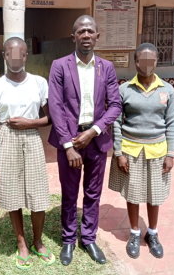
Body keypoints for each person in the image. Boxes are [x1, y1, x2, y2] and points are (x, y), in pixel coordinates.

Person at [48, 15, 121, 265]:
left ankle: (88, 238)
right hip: (69, 140)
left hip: (96, 140)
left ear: (97, 36)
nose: (86, 35)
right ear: (74, 36)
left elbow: (115, 105)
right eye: (81, 31)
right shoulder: (60, 66)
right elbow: (56, 107)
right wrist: (68, 145)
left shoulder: (106, 68)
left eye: (90, 31)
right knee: (69, 194)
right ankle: (68, 239)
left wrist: (94, 131)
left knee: (93, 193)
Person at [0, 37, 54, 269]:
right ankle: (21, 242)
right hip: (6, 141)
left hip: (32, 140)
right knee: (12, 194)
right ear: (4, 56)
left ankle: (38, 241)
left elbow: (51, 117)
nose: (15, 58)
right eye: (9, 54)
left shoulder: (39, 83)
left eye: (20, 54)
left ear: (25, 56)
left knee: (38, 195)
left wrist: (30, 122)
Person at [108, 43, 174, 259]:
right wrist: (119, 152)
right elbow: (117, 122)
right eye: (142, 60)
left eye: (151, 60)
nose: (146, 65)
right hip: (131, 151)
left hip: (158, 151)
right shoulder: (124, 89)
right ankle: (135, 233)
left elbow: (171, 122)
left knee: (154, 195)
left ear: (157, 61)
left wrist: (171, 154)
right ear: (136, 62)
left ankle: (153, 234)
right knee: (133, 194)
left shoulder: (167, 90)